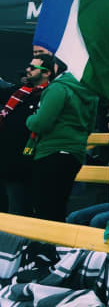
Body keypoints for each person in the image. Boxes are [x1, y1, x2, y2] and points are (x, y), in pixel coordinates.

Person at [25, 56, 99, 222]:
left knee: (45, 206)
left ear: (50, 71)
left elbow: (40, 123)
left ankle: (45, 246)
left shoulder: (57, 88)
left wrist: (29, 119)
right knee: (58, 204)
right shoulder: (87, 91)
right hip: (74, 153)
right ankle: (51, 246)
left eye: (32, 67)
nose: (28, 70)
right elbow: (90, 125)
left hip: (51, 152)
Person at [0, 54, 54, 215]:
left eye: (33, 67)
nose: (27, 70)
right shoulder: (20, 92)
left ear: (47, 73)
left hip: (24, 163)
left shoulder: (48, 94)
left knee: (19, 210)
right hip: (7, 161)